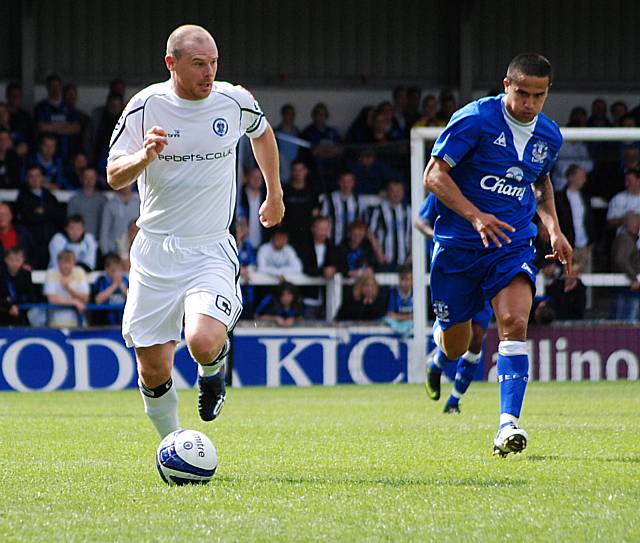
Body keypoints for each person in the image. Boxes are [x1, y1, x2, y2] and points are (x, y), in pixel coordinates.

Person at [106, 25, 284, 438]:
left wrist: (274, 193)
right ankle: (173, 444)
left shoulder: (233, 101)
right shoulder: (145, 106)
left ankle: (213, 369)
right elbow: (114, 175)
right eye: (199, 64)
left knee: (202, 340)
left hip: (210, 248)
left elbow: (262, 135)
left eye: (214, 64)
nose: (209, 73)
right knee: (153, 368)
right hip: (154, 251)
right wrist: (143, 157)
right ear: (172, 64)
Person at [423, 53, 572, 456]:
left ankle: (508, 425)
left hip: (512, 243)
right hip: (458, 248)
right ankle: (439, 351)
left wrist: (554, 228)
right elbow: (433, 176)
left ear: (546, 94)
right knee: (457, 344)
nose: (529, 103)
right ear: (507, 86)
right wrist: (475, 216)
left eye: (538, 96)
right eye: (522, 92)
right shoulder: (475, 119)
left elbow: (539, 184)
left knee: (512, 321)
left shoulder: (549, 137)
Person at [419, 193, 493, 414]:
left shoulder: (490, 188)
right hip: (453, 266)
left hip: (484, 265)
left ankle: (454, 400)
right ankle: (437, 363)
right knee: (458, 337)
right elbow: (419, 221)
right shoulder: (447, 187)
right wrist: (435, 236)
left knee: (477, 335)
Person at [14, 165, 64, 269]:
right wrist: (46, 214)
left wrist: (40, 214)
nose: (35, 179)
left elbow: (58, 217)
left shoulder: (49, 196)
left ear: (42, 178)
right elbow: (25, 218)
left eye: (37, 176)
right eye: (31, 176)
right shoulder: (22, 197)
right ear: (27, 179)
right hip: (30, 243)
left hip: (49, 242)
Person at [368, 179, 412, 271]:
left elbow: (413, 235)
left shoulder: (408, 211)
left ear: (403, 192)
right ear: (388, 192)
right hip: (385, 261)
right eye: (392, 191)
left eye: (398, 191)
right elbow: (371, 233)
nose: (396, 194)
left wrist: (411, 256)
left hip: (404, 262)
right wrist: (379, 254)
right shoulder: (379, 210)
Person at [44, 249, 90, 328]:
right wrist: (74, 302)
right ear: (58, 262)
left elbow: (85, 298)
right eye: (63, 262)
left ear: (74, 263)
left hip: (78, 320)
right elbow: (52, 299)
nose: (66, 265)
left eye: (69, 262)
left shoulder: (80, 272)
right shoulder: (51, 273)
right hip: (56, 321)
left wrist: (69, 289)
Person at [610, 212, 640, 321]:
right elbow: (620, 260)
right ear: (636, 226)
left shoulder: (628, 240)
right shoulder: (625, 240)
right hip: (627, 291)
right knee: (626, 325)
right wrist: (634, 279)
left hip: (627, 291)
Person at [67, 168, 108, 241]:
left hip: (98, 241)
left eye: (92, 177)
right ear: (81, 179)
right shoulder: (74, 200)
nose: (89, 180)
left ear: (96, 179)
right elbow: (71, 223)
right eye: (86, 177)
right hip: (78, 241)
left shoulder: (103, 200)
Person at [99, 183, 140, 255]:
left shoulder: (140, 202)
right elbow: (104, 231)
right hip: (114, 253)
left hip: (137, 250)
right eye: (123, 181)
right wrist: (105, 254)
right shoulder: (109, 205)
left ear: (133, 183)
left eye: (128, 182)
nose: (126, 185)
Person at [0, 247, 36, 326]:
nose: (15, 263)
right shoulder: (1, 273)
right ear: (6, 260)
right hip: (3, 313)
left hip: (20, 313)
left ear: (23, 260)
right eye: (12, 260)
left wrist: (15, 304)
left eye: (18, 260)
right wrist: (8, 306)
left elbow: (31, 296)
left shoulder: (26, 275)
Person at [93, 252, 129, 325]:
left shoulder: (125, 280)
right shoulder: (101, 280)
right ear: (107, 269)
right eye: (113, 270)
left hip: (124, 321)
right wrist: (114, 285)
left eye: (118, 269)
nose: (116, 273)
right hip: (105, 322)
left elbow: (132, 300)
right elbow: (98, 300)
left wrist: (121, 286)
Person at [383, 265, 413, 337]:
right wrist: (407, 317)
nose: (405, 283)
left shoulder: (416, 294)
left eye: (408, 279)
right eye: (403, 279)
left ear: (412, 280)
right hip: (397, 324)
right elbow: (390, 314)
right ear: (399, 280)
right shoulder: (394, 292)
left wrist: (400, 317)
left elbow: (419, 315)